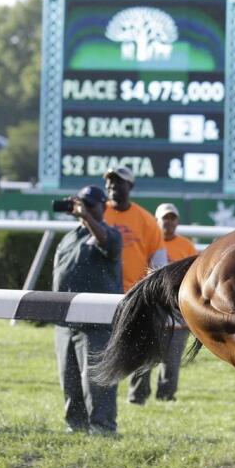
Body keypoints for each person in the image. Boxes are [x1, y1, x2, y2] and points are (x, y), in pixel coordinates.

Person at [53, 185, 124, 434]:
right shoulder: (69, 237)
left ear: (103, 207)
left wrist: (87, 217)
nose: (85, 209)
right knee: (69, 379)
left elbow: (108, 244)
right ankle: (76, 426)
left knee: (96, 380)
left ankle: (103, 428)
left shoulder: (111, 234)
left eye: (91, 205)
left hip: (98, 322)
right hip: (66, 321)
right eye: (81, 204)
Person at [102, 167, 168, 405]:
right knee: (102, 343)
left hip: (135, 295)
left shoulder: (147, 220)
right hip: (101, 291)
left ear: (130, 186)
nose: (112, 187)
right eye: (109, 183)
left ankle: (137, 396)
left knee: (142, 344)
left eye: (118, 183)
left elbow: (159, 262)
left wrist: (154, 294)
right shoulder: (98, 213)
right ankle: (101, 391)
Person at [129, 203, 200, 403]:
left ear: (177, 221)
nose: (168, 222)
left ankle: (166, 397)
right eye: (164, 218)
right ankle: (137, 396)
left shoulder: (187, 246)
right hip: (151, 306)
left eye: (172, 218)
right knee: (144, 353)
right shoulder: (148, 242)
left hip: (177, 308)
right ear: (157, 221)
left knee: (172, 358)